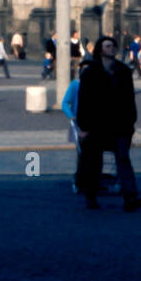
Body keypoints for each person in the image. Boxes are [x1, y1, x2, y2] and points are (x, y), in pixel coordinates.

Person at [75, 35, 141, 212]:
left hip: (120, 125)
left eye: (113, 46)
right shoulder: (90, 72)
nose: (111, 48)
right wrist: (83, 127)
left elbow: (130, 99)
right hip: (96, 125)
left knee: (123, 159)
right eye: (107, 46)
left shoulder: (124, 71)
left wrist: (131, 122)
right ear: (100, 50)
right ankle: (91, 196)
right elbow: (84, 102)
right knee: (94, 162)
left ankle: (131, 197)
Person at [62, 58, 93, 192]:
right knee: (82, 153)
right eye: (83, 69)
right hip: (79, 123)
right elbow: (65, 103)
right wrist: (72, 116)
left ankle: (92, 179)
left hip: (94, 123)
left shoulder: (97, 84)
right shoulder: (76, 84)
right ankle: (82, 180)